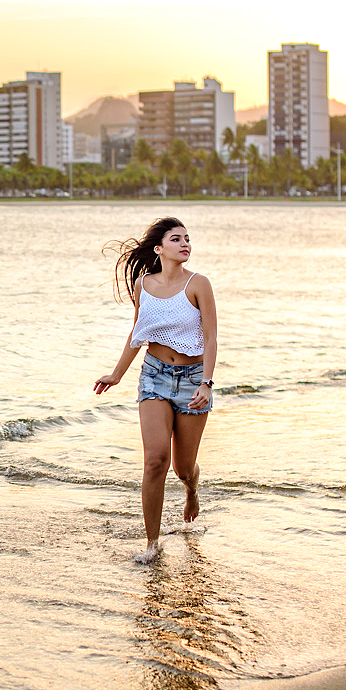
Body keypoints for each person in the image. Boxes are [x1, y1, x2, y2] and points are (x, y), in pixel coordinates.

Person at [93, 217, 217, 563]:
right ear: (159, 249)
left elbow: (210, 338)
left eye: (188, 239)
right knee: (155, 461)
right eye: (177, 239)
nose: (185, 244)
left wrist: (207, 383)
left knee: (182, 467)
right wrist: (117, 374)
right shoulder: (142, 285)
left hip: (193, 378)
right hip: (154, 376)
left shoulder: (199, 284)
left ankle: (192, 490)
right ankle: (151, 544)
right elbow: (138, 332)